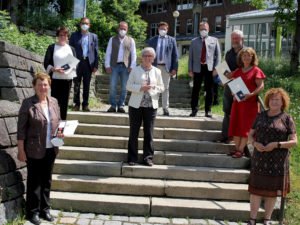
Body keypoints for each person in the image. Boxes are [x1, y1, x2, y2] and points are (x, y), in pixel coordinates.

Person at [17, 73, 63, 225]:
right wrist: (21, 150)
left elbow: (58, 122)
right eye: (39, 84)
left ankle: (45, 210)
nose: (43, 87)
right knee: (34, 182)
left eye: (45, 84)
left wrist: (61, 134)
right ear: (34, 86)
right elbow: (21, 129)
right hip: (34, 149)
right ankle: (33, 212)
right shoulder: (28, 103)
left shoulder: (54, 102)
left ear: (49, 86)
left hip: (51, 148)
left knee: (47, 180)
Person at [247, 88, 297, 225]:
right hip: (259, 158)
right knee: (255, 190)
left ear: (282, 102)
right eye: (272, 99)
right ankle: (252, 219)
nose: (274, 102)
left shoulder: (287, 119)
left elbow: (294, 141)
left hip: (278, 161)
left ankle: (267, 219)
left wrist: (277, 144)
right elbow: (250, 135)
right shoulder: (260, 116)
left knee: (272, 192)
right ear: (268, 101)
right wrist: (254, 143)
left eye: (278, 100)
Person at [126, 47, 164, 166]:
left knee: (149, 132)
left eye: (150, 56)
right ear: (141, 57)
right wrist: (140, 88)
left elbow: (162, 87)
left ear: (153, 58)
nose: (148, 58)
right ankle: (132, 157)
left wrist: (153, 88)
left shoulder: (157, 71)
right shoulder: (135, 70)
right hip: (136, 105)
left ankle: (148, 157)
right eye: (145, 56)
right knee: (134, 132)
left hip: (151, 105)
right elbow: (128, 86)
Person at [228, 47, 265, 158]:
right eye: (244, 55)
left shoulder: (256, 70)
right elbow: (232, 84)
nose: (246, 58)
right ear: (241, 58)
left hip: (250, 104)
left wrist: (251, 94)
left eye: (249, 55)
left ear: (252, 57)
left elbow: (261, 86)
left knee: (246, 127)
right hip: (238, 104)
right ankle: (236, 149)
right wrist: (233, 93)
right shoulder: (238, 71)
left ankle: (240, 150)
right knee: (236, 125)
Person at [188, 21, 221, 117]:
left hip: (209, 68)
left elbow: (218, 56)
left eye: (205, 29)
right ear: (199, 30)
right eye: (201, 29)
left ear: (208, 29)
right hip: (197, 68)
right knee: (196, 89)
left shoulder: (214, 40)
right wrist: (190, 69)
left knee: (209, 90)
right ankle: (194, 109)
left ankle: (208, 110)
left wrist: (216, 68)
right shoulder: (194, 41)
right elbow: (191, 57)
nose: (203, 31)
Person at [44, 26, 77, 120]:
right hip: (55, 79)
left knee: (64, 103)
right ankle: (53, 122)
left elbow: (74, 63)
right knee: (54, 102)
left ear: (68, 37)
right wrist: (54, 69)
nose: (63, 37)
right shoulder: (52, 47)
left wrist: (67, 70)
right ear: (58, 36)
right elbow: (46, 63)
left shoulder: (72, 49)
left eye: (65, 35)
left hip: (67, 79)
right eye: (61, 35)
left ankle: (62, 124)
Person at [147, 21, 179, 116]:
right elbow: (148, 54)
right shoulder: (152, 40)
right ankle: (154, 106)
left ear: (167, 30)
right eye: (161, 29)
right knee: (153, 87)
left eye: (164, 29)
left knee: (165, 88)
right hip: (154, 67)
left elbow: (175, 55)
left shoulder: (172, 40)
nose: (162, 30)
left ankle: (165, 108)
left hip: (166, 67)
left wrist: (175, 68)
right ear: (158, 29)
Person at [105, 21, 137, 113]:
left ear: (127, 30)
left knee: (125, 87)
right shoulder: (112, 39)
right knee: (112, 86)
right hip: (114, 65)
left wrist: (132, 66)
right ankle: (113, 105)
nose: (122, 30)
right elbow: (108, 53)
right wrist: (107, 65)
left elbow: (134, 54)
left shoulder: (131, 40)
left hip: (125, 67)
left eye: (124, 29)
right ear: (118, 29)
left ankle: (121, 105)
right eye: (121, 28)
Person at [220, 30, 245, 143]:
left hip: (241, 85)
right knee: (227, 110)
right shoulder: (229, 53)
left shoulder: (247, 52)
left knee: (240, 111)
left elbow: (250, 68)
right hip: (229, 84)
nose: (234, 40)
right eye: (233, 38)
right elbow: (225, 70)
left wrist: (234, 73)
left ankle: (239, 137)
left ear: (242, 39)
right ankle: (226, 136)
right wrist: (223, 77)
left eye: (237, 38)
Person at [69, 17, 99, 112]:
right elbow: (70, 50)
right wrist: (71, 64)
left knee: (87, 84)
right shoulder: (74, 36)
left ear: (89, 25)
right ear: (80, 24)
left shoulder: (94, 36)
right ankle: (76, 104)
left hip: (88, 63)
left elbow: (96, 52)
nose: (84, 25)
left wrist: (95, 66)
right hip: (77, 63)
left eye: (86, 23)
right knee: (76, 84)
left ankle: (85, 104)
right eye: (83, 23)